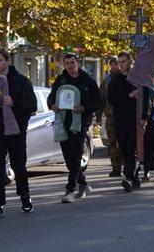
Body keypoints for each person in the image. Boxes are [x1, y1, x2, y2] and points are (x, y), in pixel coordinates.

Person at [0, 48, 36, 219]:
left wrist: (14, 102)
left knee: (19, 165)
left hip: (16, 129)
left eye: (0, 60)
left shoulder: (20, 81)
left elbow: (32, 105)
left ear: (7, 61)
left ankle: (25, 198)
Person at [47, 53, 102, 203]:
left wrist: (84, 108)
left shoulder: (87, 80)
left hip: (80, 123)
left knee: (76, 156)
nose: (70, 66)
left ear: (77, 63)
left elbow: (99, 102)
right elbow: (51, 97)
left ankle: (70, 190)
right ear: (64, 65)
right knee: (69, 159)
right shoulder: (61, 80)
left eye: (72, 62)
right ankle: (83, 184)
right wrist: (52, 105)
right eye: (67, 63)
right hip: (63, 122)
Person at [107, 52, 140, 192]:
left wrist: (145, 117)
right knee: (124, 149)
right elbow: (111, 100)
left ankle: (128, 177)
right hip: (119, 120)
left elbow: (147, 99)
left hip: (135, 120)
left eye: (124, 61)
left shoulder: (137, 78)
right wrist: (128, 95)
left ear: (130, 62)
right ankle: (134, 177)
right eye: (119, 62)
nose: (121, 64)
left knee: (132, 149)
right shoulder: (115, 79)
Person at [100, 56, 124, 177]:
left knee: (124, 142)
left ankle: (127, 165)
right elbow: (101, 100)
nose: (114, 66)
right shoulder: (106, 81)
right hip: (110, 116)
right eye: (112, 64)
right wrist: (98, 118)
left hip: (123, 115)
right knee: (112, 143)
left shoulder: (126, 77)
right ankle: (116, 167)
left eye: (116, 64)